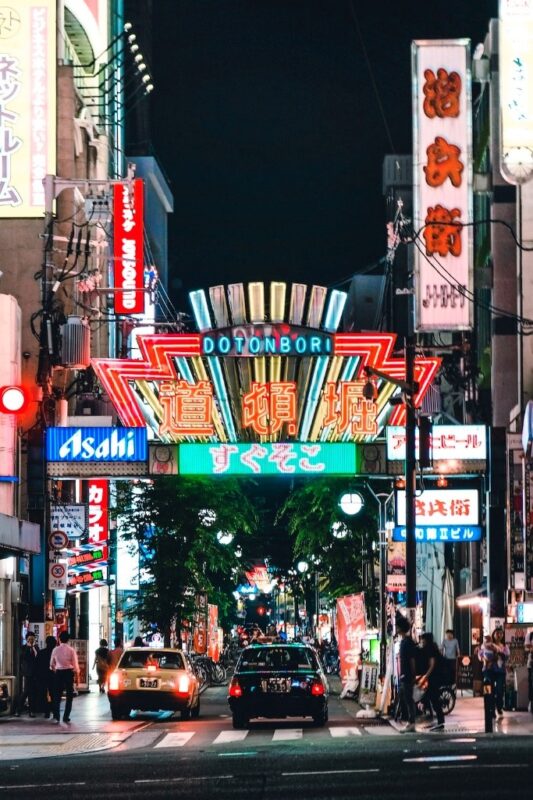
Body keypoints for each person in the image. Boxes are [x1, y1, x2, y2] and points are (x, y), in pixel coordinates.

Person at [418, 632, 446, 731]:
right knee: (432, 698)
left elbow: (432, 664)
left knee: (434, 698)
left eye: (423, 639)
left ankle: (440, 720)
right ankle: (437, 720)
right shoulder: (432, 648)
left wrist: (426, 676)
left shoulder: (430, 649)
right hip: (434, 677)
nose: (422, 641)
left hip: (434, 678)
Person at [50, 631, 80, 723]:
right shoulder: (71, 650)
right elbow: (75, 665)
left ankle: (57, 716)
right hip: (68, 673)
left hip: (59, 673)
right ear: (68, 640)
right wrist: (77, 677)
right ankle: (66, 717)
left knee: (57, 695)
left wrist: (56, 670)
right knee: (69, 696)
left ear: (59, 639)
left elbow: (51, 664)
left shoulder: (55, 650)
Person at [396, 614, 417, 733]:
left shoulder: (407, 642)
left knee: (408, 698)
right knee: (405, 697)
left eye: (397, 627)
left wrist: (413, 675)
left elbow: (412, 660)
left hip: (407, 674)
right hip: (405, 674)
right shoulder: (405, 641)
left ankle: (411, 722)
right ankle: (410, 721)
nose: (396, 629)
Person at [15, 631, 39, 717]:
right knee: (27, 692)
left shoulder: (36, 647)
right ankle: (23, 710)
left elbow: (37, 658)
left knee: (31, 692)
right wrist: (29, 647)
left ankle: (24, 711)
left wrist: (33, 648)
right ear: (26, 639)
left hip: (35, 673)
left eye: (33, 638)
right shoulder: (23, 648)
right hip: (27, 673)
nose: (31, 640)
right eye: (29, 639)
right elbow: (23, 657)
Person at [36, 635, 57, 718]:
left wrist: (37, 677)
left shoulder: (41, 652)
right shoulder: (56, 653)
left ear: (46, 643)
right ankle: (55, 712)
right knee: (53, 694)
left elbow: (36, 665)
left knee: (43, 694)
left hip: (42, 676)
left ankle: (46, 711)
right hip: (53, 676)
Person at [491, 627, 510, 717]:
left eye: (501, 634)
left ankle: (499, 707)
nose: (499, 635)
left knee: (499, 690)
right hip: (491, 670)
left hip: (501, 671)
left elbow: (507, 657)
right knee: (491, 691)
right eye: (497, 633)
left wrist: (502, 654)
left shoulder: (504, 646)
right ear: (493, 634)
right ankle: (492, 709)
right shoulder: (490, 645)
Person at [525, 630, 533, 714]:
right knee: (531, 683)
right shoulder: (530, 634)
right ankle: (531, 702)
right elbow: (527, 646)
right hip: (532, 663)